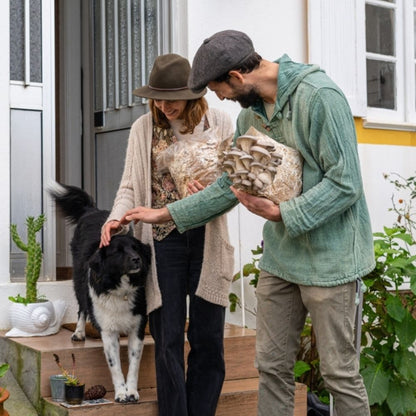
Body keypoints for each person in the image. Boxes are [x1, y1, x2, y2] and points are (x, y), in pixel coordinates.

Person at [117, 30, 376, 416]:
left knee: (340, 374)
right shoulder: (251, 114)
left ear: (237, 77)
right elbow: (229, 185)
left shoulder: (319, 97)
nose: (220, 99)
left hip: (331, 262)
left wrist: (283, 213)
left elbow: (346, 183)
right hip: (281, 260)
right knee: (271, 368)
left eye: (221, 90)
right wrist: (165, 213)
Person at [100, 53, 235, 416]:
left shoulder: (220, 122)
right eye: (157, 98)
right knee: (167, 338)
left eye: (171, 98)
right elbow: (129, 186)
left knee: (207, 339)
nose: (164, 105)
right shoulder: (143, 128)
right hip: (160, 244)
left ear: (192, 95)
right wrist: (116, 219)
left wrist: (204, 194)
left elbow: (234, 187)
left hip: (208, 242)